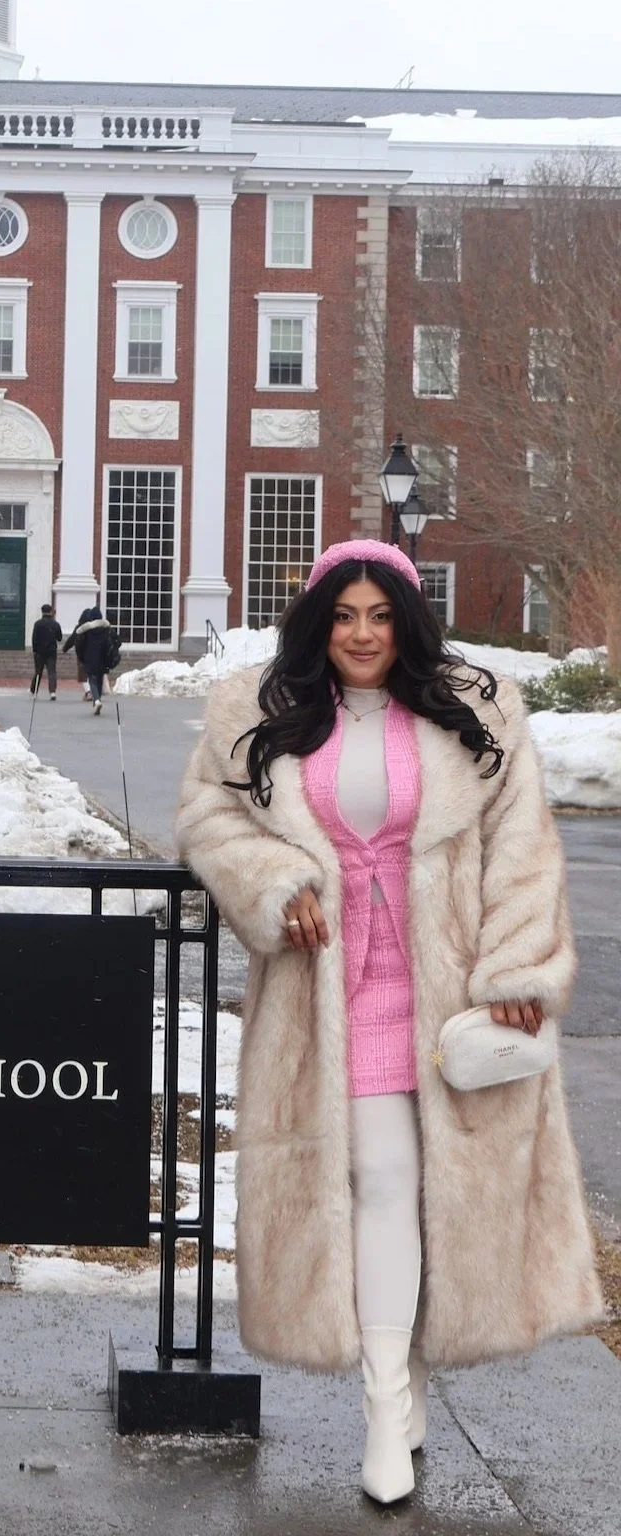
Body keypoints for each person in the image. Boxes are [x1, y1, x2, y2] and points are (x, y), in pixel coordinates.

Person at [174, 539, 601, 1506]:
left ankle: (401, 1389)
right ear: (318, 623)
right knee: (379, 1179)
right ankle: (383, 1405)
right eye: (342, 616)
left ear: (405, 622)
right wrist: (276, 882)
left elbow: (523, 851)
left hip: (444, 987)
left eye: (378, 616)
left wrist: (516, 969)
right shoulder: (258, 715)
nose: (360, 635)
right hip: (327, 992)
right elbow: (208, 819)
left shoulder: (478, 716)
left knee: (417, 1194)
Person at [61, 604, 120, 715]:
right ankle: (97, 701)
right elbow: (117, 642)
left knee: (92, 680)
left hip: (89, 658)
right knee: (99, 680)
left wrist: (81, 656)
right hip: (104, 659)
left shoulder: (85, 630)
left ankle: (96, 701)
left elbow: (78, 644)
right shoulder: (107, 629)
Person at [29, 603, 62, 699]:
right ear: (51, 611)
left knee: (38, 672)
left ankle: (34, 691)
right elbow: (59, 638)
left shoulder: (37, 624)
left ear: (42, 612)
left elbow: (34, 638)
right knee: (52, 672)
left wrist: (35, 650)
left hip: (39, 651)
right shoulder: (55, 624)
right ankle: (52, 692)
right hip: (51, 651)